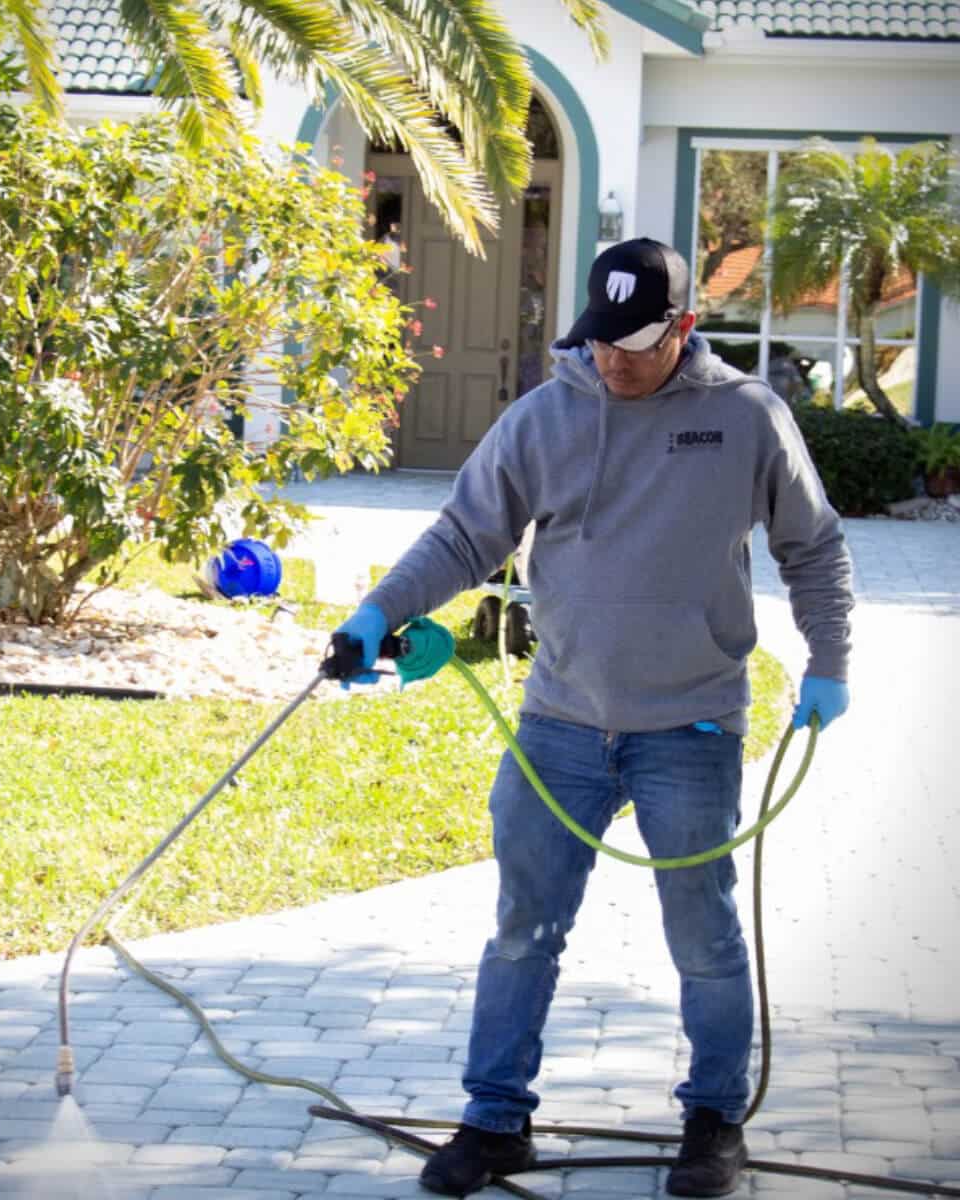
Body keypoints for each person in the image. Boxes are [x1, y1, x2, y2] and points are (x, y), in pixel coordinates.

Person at [332, 237, 853, 1198]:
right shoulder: (546, 417)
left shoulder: (746, 419)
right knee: (524, 927)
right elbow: (464, 532)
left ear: (685, 329)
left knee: (703, 935)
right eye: (601, 340)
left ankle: (712, 1121)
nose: (613, 359)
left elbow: (812, 546)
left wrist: (830, 661)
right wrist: (380, 613)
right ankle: (494, 1121)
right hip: (561, 723)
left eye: (638, 343)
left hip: (691, 726)